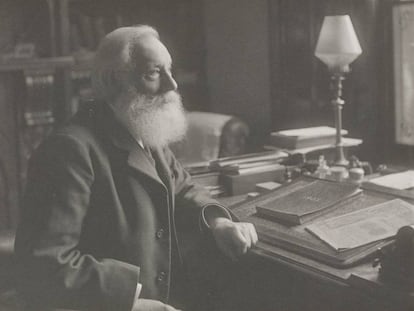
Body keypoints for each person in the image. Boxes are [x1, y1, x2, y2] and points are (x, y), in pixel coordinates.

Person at [14, 25, 258, 311]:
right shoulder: (69, 150)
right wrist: (132, 303)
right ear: (115, 81)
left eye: (170, 70)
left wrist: (219, 221)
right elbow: (42, 266)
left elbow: (182, 187)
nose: (172, 84)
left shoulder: (140, 128)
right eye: (154, 73)